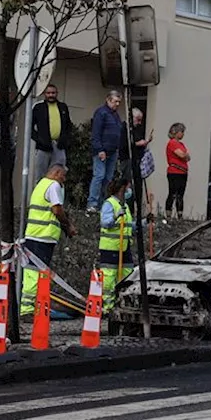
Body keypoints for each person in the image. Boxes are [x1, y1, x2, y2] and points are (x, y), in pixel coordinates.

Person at [21, 163, 78, 316]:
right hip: (43, 235)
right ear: (57, 173)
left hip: (34, 233)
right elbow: (57, 209)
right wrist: (68, 226)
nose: (64, 180)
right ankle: (28, 309)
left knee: (34, 270)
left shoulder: (41, 184)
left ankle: (32, 306)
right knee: (36, 271)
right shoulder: (53, 186)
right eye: (63, 176)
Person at [98, 177, 137, 313]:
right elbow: (105, 223)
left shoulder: (124, 205)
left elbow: (128, 226)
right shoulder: (110, 204)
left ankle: (124, 303)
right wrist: (115, 216)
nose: (129, 191)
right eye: (128, 188)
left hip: (124, 246)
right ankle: (108, 307)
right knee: (109, 276)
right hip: (110, 247)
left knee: (128, 274)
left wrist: (143, 223)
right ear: (123, 188)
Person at [88, 90, 124, 211]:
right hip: (102, 150)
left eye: (119, 102)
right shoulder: (101, 113)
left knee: (108, 178)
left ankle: (102, 203)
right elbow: (96, 133)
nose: (117, 104)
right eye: (115, 101)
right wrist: (99, 149)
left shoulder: (115, 115)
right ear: (108, 100)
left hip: (113, 151)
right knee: (99, 175)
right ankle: (92, 203)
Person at [31, 84, 73, 174]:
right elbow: (30, 127)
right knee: (41, 175)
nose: (51, 95)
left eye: (53, 93)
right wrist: (39, 140)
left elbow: (69, 125)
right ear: (44, 94)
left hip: (59, 146)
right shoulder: (39, 108)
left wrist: (65, 139)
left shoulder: (63, 107)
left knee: (59, 174)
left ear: (57, 93)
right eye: (48, 93)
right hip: (43, 147)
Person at [164, 122, 190, 220]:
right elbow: (183, 155)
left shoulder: (181, 144)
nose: (183, 134)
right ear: (176, 132)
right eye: (181, 132)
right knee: (173, 193)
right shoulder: (172, 143)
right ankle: (169, 215)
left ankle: (180, 215)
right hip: (174, 172)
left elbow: (188, 157)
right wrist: (185, 154)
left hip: (183, 172)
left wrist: (185, 154)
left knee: (180, 195)